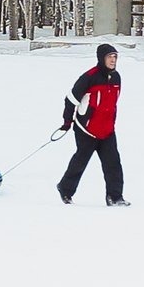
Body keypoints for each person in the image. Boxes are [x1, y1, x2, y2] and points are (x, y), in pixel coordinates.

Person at [57, 43, 128, 206]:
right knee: (80, 162)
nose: (113, 60)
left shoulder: (116, 77)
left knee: (113, 164)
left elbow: (112, 104)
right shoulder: (89, 77)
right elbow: (70, 100)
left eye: (115, 57)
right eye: (110, 57)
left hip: (107, 130)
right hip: (86, 129)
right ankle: (65, 190)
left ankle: (115, 197)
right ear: (101, 58)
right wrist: (67, 122)